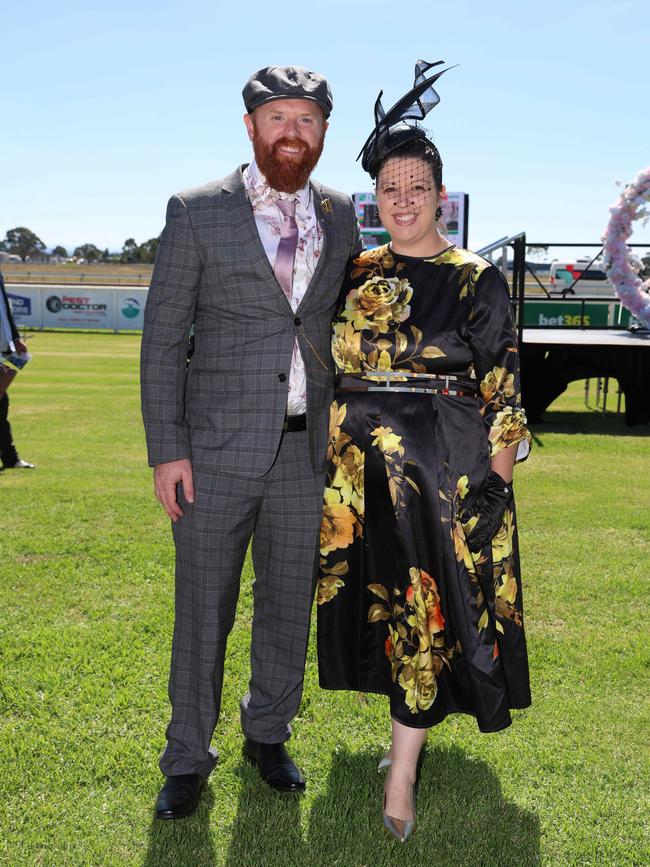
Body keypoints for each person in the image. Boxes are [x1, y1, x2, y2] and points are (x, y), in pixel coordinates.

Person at [316, 60, 532, 842]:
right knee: (387, 607)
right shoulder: (356, 270)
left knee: (423, 608)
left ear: (441, 193)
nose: (403, 200)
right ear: (376, 195)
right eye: (390, 187)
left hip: (438, 475)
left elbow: (505, 394)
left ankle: (402, 773)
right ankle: (401, 737)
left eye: (418, 186)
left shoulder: (475, 279)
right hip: (353, 475)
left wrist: (494, 489)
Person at [141, 65, 362, 820]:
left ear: (324, 131)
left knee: (287, 605)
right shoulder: (198, 211)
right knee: (205, 608)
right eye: (278, 119)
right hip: (213, 455)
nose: (292, 133)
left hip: (307, 454)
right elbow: (164, 341)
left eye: (306, 119)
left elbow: (342, 326)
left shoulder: (340, 215)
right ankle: (185, 757)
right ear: (250, 127)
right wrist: (167, 450)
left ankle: (268, 733)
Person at [0, 270, 34, 470]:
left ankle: (10, 458)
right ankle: (10, 457)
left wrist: (14, 337)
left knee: (2, 404)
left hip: (3, 346)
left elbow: (4, 309)